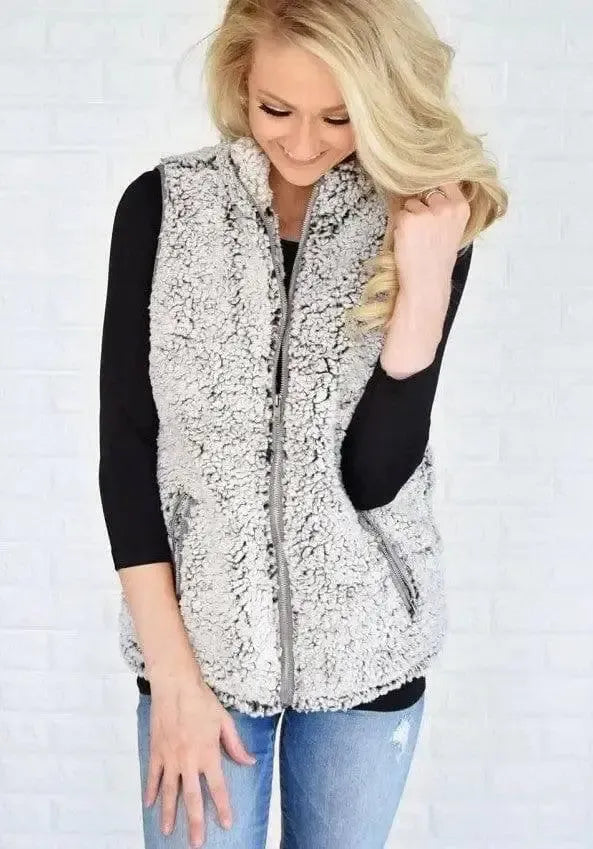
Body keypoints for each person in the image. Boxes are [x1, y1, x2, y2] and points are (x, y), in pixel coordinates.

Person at [98, 1, 507, 846]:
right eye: (276, 108)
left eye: (339, 115)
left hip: (367, 649)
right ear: (239, 83)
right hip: (199, 650)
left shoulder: (421, 223)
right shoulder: (164, 207)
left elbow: (373, 475)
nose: (304, 142)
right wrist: (173, 675)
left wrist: (423, 285)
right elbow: (128, 449)